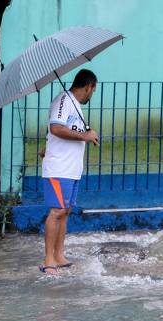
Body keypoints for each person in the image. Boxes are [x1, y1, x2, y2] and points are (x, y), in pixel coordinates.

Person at [38, 69, 99, 274]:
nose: (92, 94)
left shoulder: (73, 104)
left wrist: (86, 135)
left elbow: (58, 133)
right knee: (56, 212)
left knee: (65, 212)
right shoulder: (64, 100)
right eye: (93, 90)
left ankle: (59, 255)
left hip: (71, 169)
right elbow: (56, 128)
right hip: (59, 168)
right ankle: (48, 260)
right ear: (89, 86)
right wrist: (85, 137)